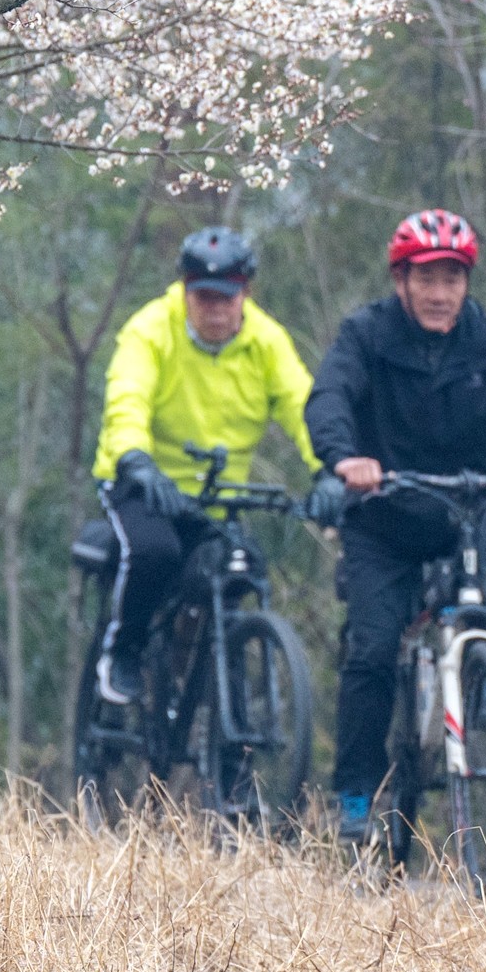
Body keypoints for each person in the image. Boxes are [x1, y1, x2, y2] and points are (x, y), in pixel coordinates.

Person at [301, 209, 486, 842]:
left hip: (462, 513)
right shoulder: (366, 335)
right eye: (427, 279)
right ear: (401, 280)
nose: (441, 295)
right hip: (381, 519)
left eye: (453, 280)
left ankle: (477, 687)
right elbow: (328, 397)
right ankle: (355, 791)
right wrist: (344, 458)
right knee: (373, 648)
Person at [84, 225, 320, 707]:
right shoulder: (150, 330)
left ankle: (225, 737)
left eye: (226, 298)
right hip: (142, 482)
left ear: (246, 294)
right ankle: (123, 652)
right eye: (204, 297)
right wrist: (136, 459)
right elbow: (127, 398)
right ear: (186, 291)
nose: (215, 310)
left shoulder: (267, 342)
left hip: (217, 496)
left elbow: (305, 409)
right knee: (155, 552)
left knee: (231, 577)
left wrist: (332, 468)